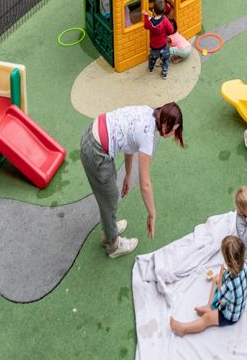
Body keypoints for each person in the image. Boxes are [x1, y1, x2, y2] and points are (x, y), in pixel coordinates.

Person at [79, 103, 185, 259]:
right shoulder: (147, 136)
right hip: (96, 151)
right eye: (173, 129)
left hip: (91, 134)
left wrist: (128, 175)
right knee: (109, 199)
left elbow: (129, 144)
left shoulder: (146, 112)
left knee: (109, 195)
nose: (172, 134)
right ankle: (113, 245)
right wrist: (152, 214)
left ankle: (110, 231)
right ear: (164, 124)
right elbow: (145, 185)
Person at [169, 235, 247, 336]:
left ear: (228, 262)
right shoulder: (246, 267)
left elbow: (221, 301)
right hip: (237, 302)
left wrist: (221, 275)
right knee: (216, 278)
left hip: (231, 315)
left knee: (207, 319)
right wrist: (221, 276)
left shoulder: (230, 283)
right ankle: (208, 306)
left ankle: (183, 329)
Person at [143, 0, 176, 79]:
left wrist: (145, 16)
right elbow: (171, 30)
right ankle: (164, 73)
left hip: (154, 47)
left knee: (152, 58)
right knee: (165, 59)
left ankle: (151, 68)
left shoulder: (150, 21)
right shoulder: (165, 20)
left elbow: (145, 26)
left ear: (153, 10)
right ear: (164, 10)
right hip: (164, 46)